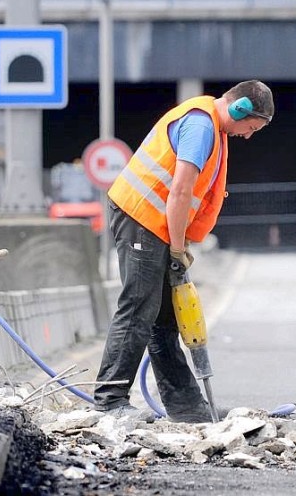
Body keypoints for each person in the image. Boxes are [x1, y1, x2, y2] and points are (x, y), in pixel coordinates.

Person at [94, 80, 275, 422]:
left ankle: (187, 408)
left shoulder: (214, 129)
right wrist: (177, 251)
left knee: (163, 317)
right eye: (250, 128)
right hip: (141, 217)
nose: (248, 136)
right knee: (138, 306)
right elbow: (179, 191)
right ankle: (109, 399)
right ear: (238, 110)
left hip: (156, 224)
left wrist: (180, 244)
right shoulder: (200, 126)